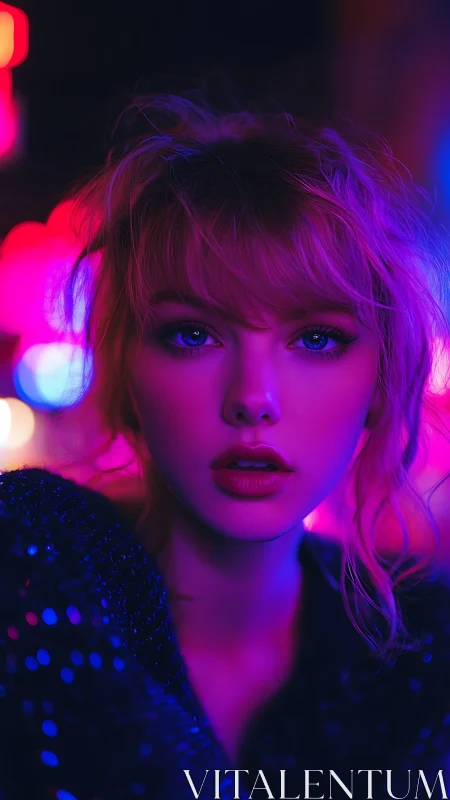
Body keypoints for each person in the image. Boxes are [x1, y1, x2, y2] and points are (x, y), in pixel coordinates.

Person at [2, 90, 450, 800]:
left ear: (381, 378)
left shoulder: (427, 653)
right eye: (193, 334)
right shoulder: (31, 566)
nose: (253, 398)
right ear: (125, 366)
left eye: (316, 339)